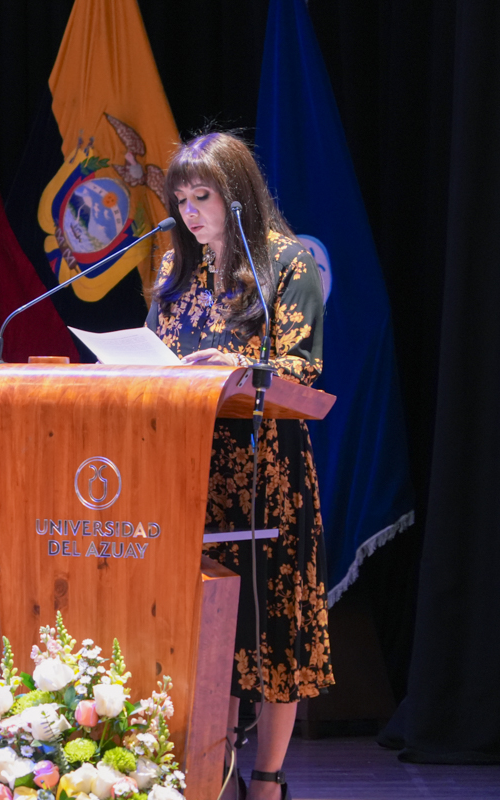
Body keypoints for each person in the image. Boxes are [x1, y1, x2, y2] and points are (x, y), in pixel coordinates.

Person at [145, 132, 333, 800]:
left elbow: (303, 371)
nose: (190, 213)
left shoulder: (287, 262)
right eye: (181, 200)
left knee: (273, 626)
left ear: (237, 195)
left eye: (203, 197)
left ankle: (268, 779)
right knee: (207, 628)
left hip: (265, 474)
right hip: (188, 473)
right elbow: (156, 356)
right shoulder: (176, 268)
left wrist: (238, 367)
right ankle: (211, 772)